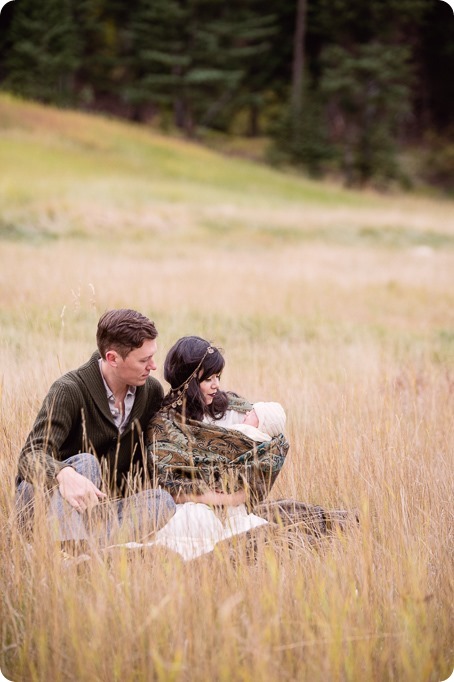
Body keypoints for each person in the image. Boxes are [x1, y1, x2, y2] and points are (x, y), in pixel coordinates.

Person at [16, 308, 176, 552]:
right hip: (44, 502)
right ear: (112, 358)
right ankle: (64, 553)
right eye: (144, 360)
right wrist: (64, 474)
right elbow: (29, 457)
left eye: (152, 356)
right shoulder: (69, 390)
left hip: (99, 510)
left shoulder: (151, 391)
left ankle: (88, 549)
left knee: (161, 501)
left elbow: (149, 459)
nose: (153, 366)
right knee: (86, 463)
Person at [145, 336, 289, 560]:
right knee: (197, 528)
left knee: (260, 537)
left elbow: (268, 440)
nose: (216, 385)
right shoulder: (163, 427)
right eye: (208, 379)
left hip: (235, 510)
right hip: (192, 509)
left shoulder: (230, 407)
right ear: (189, 381)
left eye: (218, 377)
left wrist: (239, 494)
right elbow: (167, 488)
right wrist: (224, 499)